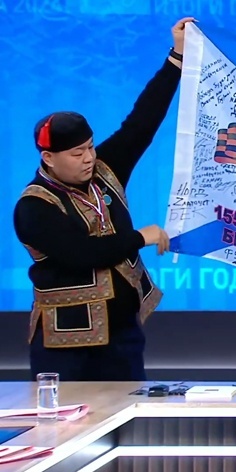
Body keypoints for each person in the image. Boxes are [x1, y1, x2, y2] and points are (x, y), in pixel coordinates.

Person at [12, 17, 196, 382]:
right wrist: (140, 237)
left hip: (123, 337)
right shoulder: (33, 207)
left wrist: (176, 56)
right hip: (66, 348)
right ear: (49, 158)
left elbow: (141, 123)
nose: (88, 158)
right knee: (71, 416)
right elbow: (83, 254)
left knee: (129, 410)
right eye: (76, 153)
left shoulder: (104, 170)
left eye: (90, 147)